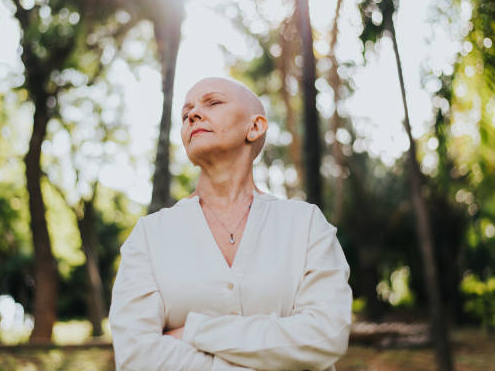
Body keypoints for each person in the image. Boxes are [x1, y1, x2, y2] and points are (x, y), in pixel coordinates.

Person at [110, 77, 353, 370]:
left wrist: (194, 332)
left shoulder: (307, 225)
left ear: (255, 127)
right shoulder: (149, 236)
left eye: (212, 102)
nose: (192, 115)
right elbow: (137, 356)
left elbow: (326, 336)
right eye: (186, 113)